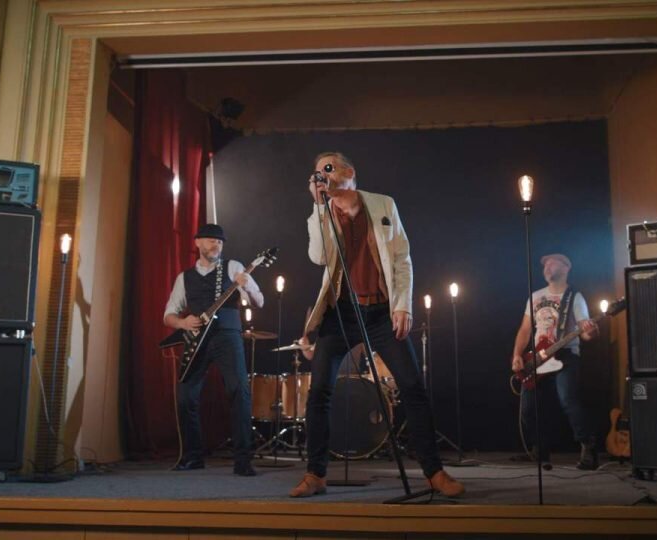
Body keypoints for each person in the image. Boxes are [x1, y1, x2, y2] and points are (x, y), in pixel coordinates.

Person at [289, 151, 465, 498]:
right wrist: (319, 207)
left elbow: (402, 258)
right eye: (317, 172)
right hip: (341, 312)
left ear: (349, 171)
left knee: (412, 387)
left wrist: (403, 305)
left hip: (382, 311)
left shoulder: (383, 204)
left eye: (328, 168)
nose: (322, 175)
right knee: (319, 391)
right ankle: (316, 474)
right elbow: (318, 256)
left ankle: (434, 472)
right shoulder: (323, 211)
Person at [164, 223, 263, 476]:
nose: (216, 245)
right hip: (197, 339)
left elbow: (259, 301)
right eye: (211, 240)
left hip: (227, 336)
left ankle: (243, 460)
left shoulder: (234, 267)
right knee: (186, 397)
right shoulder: (184, 277)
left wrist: (246, 285)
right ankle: (192, 457)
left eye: (220, 242)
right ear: (198, 242)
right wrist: (183, 323)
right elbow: (169, 315)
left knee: (239, 391)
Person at [511, 253, 599, 470]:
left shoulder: (575, 297)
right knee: (528, 409)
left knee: (568, 399)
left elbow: (585, 332)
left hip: (566, 354)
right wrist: (517, 355)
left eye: (553, 263)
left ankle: (588, 446)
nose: (547, 267)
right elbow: (525, 330)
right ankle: (539, 450)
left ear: (566, 268)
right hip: (538, 357)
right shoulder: (535, 296)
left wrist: (591, 332)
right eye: (545, 265)